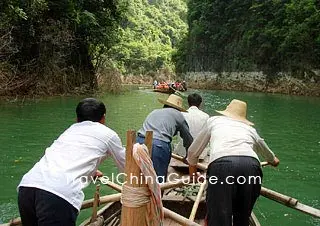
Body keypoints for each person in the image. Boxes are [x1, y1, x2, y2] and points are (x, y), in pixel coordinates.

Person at [17, 98, 126, 226]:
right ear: (103, 118)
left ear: (77, 119)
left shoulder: (70, 130)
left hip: (27, 188)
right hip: (57, 194)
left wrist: (90, 171)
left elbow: (66, 157)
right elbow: (127, 167)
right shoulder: (109, 135)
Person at [187, 99, 280, 226]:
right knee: (242, 217)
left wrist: (192, 174)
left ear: (226, 111)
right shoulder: (250, 129)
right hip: (252, 167)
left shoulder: (214, 121)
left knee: (219, 218)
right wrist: (273, 161)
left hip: (222, 167)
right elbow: (270, 156)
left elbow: (193, 152)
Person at [137, 94, 193, 183]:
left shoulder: (154, 111)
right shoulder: (178, 115)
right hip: (158, 145)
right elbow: (188, 139)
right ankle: (158, 195)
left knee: (138, 176)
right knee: (159, 179)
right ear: (178, 108)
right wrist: (188, 156)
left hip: (139, 142)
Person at [174, 93, 209, 160]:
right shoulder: (206, 116)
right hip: (200, 154)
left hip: (182, 153)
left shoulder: (181, 114)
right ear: (200, 104)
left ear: (188, 103)